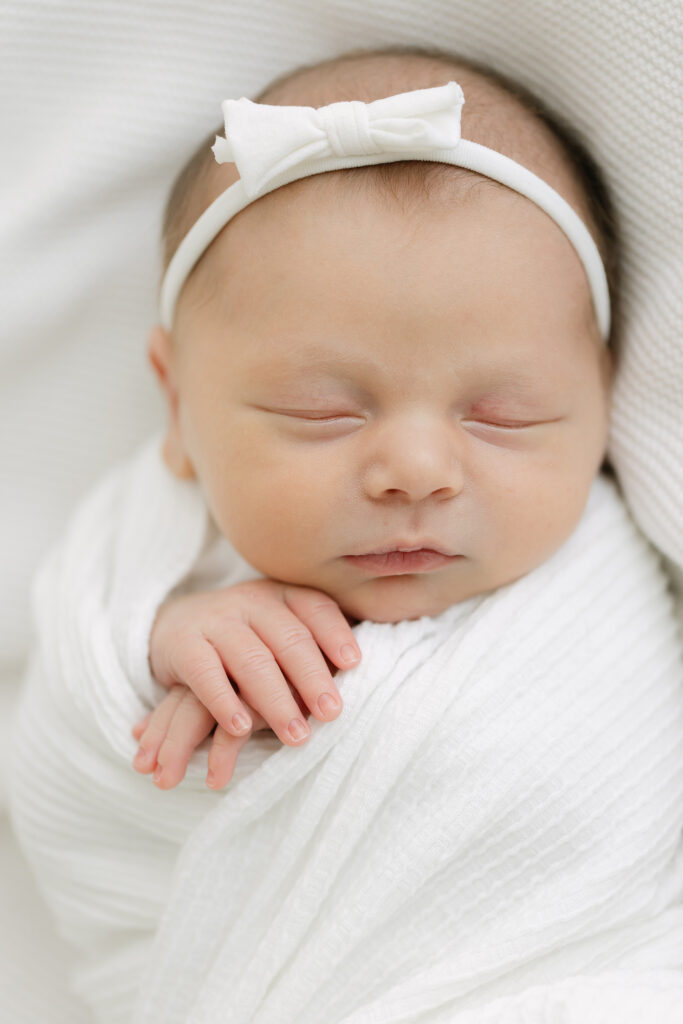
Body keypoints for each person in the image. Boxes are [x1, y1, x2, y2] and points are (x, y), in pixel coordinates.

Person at [130, 46, 616, 790]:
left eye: (503, 416)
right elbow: (55, 748)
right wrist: (158, 642)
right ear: (177, 405)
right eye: (320, 412)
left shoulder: (610, 578)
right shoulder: (150, 549)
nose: (417, 473)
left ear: (601, 403)